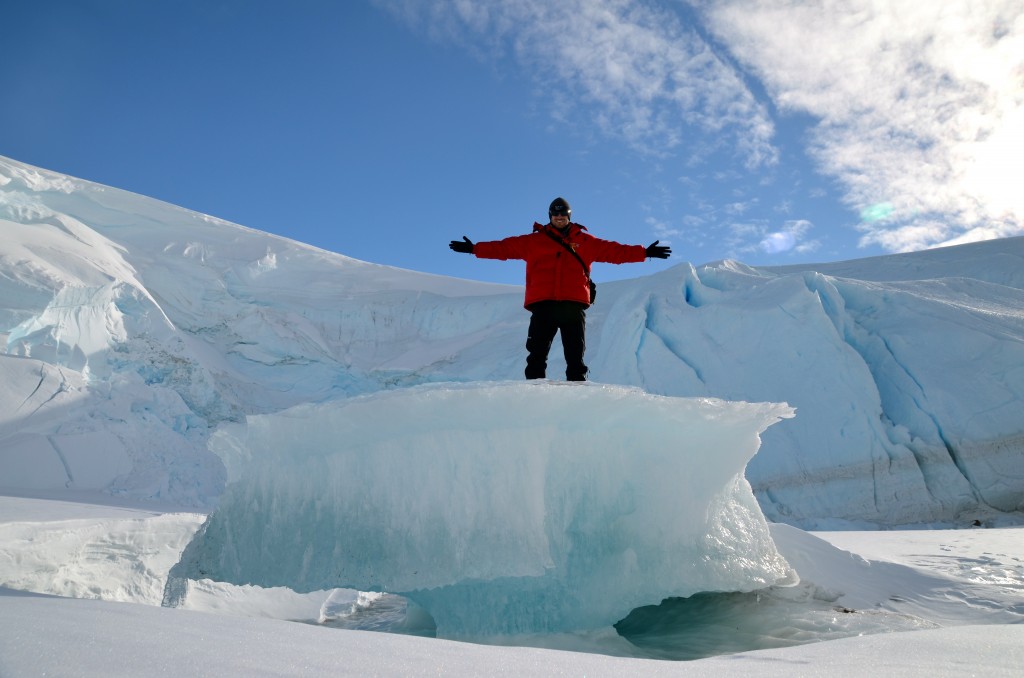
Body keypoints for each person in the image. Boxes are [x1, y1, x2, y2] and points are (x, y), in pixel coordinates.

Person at [449, 197, 671, 381]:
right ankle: (535, 391)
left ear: (569, 216)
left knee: (575, 355)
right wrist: (474, 249)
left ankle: (577, 391)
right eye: (555, 215)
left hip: (572, 305)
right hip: (543, 303)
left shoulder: (585, 241)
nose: (559, 218)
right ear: (550, 216)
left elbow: (615, 252)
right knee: (536, 353)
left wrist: (644, 253)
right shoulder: (533, 241)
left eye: (563, 214)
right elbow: (503, 248)